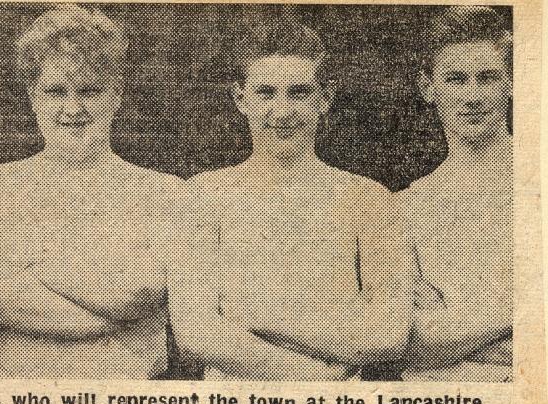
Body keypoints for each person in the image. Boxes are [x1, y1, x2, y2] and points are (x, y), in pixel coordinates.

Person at [169, 21, 413, 380]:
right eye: (266, 93)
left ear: (324, 98)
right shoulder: (203, 195)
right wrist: (308, 379)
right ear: (241, 98)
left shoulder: (368, 199)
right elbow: (194, 331)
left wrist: (258, 317)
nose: (282, 112)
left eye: (298, 93)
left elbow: (390, 334)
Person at [0, 5, 182, 379]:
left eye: (90, 91)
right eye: (55, 91)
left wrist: (35, 268)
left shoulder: (163, 193)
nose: (72, 108)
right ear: (32, 95)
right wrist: (109, 310)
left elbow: (137, 295)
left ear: (117, 94)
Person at [399, 6, 513, 382]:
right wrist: (523, 309)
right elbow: (413, 341)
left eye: (487, 78)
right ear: (428, 87)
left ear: (511, 81)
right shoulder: (407, 207)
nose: (472, 96)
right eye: (455, 79)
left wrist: (455, 332)